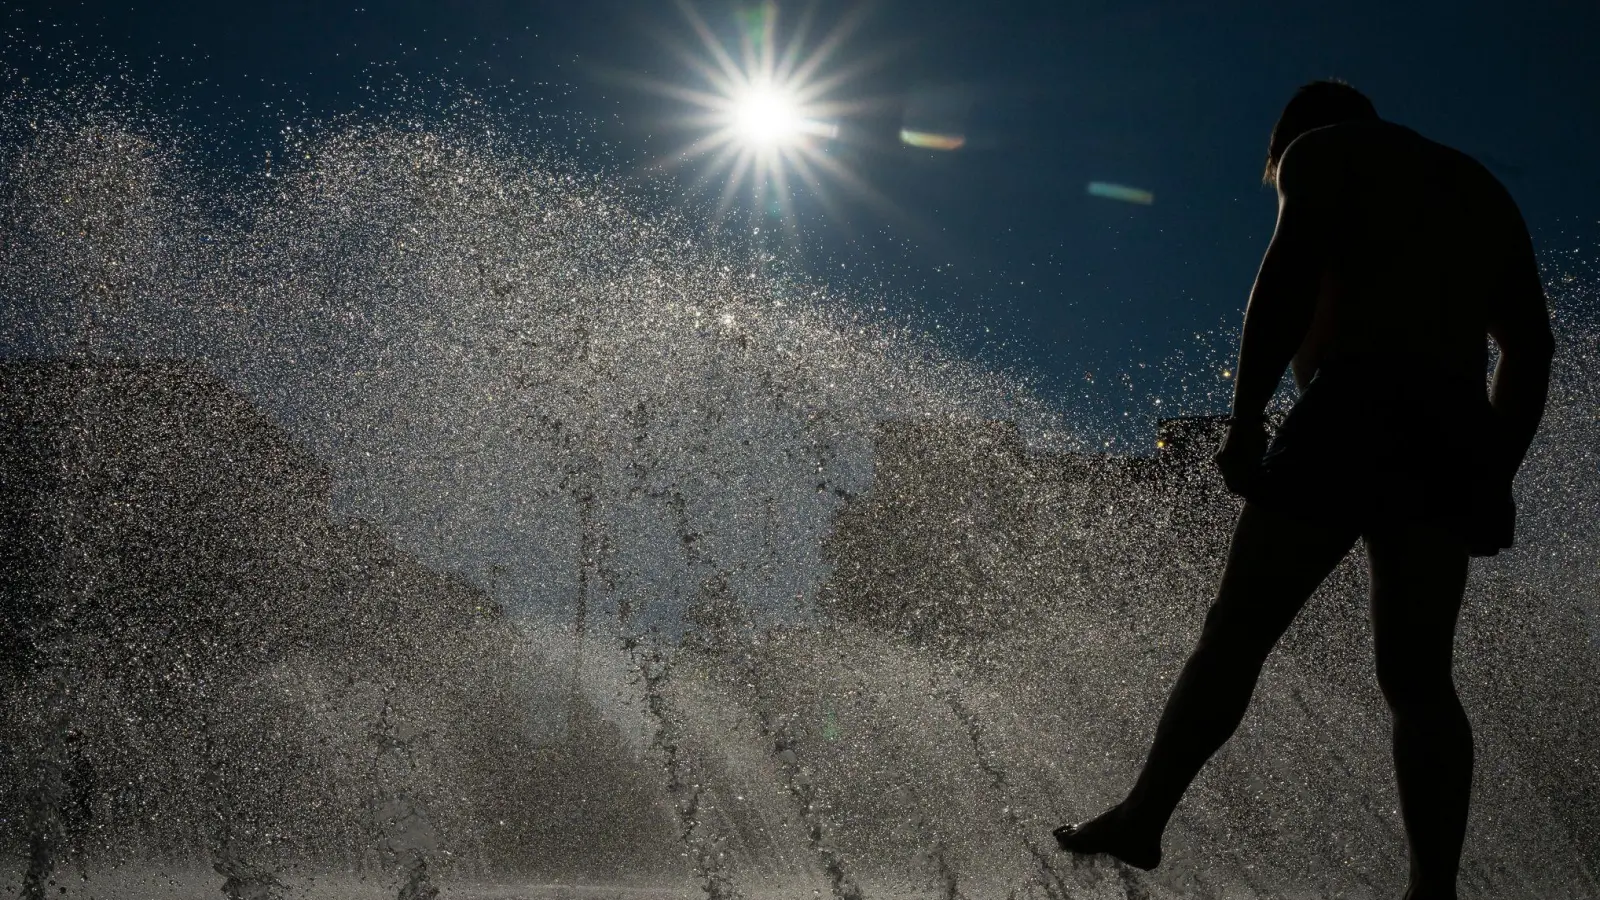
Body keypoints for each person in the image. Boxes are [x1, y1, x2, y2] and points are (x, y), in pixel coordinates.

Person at [1053, 81, 1555, 900]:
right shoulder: (1477, 185)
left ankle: (1145, 816)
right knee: (1419, 677)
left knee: (1237, 633)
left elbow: (1286, 275)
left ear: (1292, 136)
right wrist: (1494, 469)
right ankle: (1435, 890)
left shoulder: (1322, 152)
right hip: (1453, 427)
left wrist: (1247, 421)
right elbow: (1531, 348)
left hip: (1355, 409)